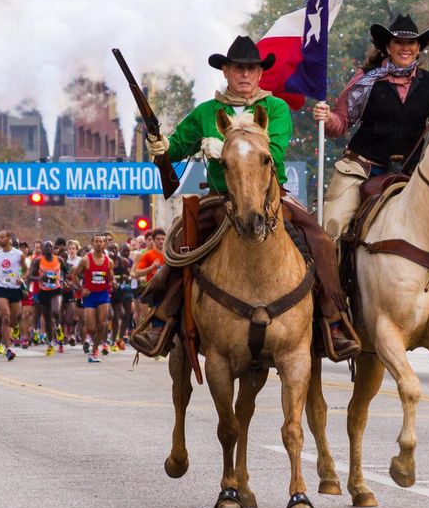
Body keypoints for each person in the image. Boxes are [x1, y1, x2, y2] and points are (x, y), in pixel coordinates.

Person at [139, 35, 359, 360]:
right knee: (181, 243)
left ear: (259, 74)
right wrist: (160, 145)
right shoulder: (205, 112)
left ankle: (333, 318)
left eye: (251, 69)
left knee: (321, 241)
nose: (245, 75)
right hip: (220, 197)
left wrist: (225, 147)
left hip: (272, 196)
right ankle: (161, 318)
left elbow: (276, 151)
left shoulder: (275, 108)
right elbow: (177, 146)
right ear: (225, 71)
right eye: (238, 69)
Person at [313, 14, 429, 240]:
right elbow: (339, 124)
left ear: (419, 48)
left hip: (412, 173)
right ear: (387, 46)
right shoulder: (365, 79)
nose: (405, 48)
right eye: (398, 42)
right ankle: (329, 274)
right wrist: (326, 118)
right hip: (362, 168)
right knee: (332, 223)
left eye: (411, 43)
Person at [70, 234, 113, 363]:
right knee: (91, 327)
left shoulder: (109, 261)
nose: (99, 243)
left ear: (104, 244)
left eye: (101, 241)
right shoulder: (85, 260)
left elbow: (110, 278)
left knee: (102, 324)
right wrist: (82, 289)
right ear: (92, 244)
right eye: (97, 241)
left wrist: (113, 282)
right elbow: (74, 275)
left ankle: (94, 351)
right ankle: (89, 338)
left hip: (103, 295)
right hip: (90, 296)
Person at [28, 240, 65, 356]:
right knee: (47, 319)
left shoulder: (59, 259)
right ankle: (50, 343)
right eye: (46, 246)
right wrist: (40, 278)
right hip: (43, 291)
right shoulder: (38, 260)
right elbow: (30, 276)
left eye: (50, 246)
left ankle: (58, 327)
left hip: (56, 290)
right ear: (43, 249)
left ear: (53, 248)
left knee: (55, 311)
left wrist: (65, 280)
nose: (48, 248)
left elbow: (66, 271)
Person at [0, 230, 24, 361]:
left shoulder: (18, 254)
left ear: (9, 238)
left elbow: (26, 270)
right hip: (1, 288)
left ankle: (9, 333)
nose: (0, 240)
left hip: (15, 288)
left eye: (2, 237)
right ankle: (8, 348)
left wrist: (22, 278)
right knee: (5, 317)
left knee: (13, 319)